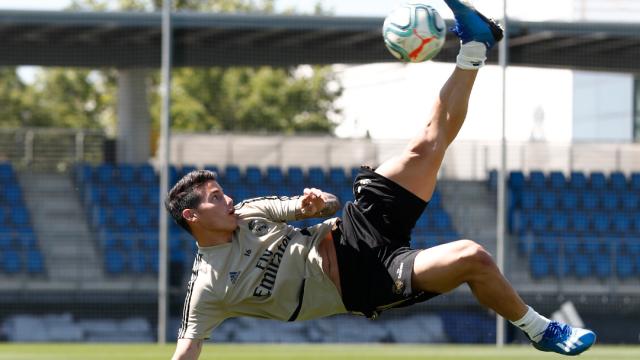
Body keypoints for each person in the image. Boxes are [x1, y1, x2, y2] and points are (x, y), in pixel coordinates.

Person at [165, 1, 596, 359]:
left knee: (426, 145)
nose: (229, 200)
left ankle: (474, 47)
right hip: (364, 281)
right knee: (473, 257)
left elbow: (327, 205)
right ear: (192, 215)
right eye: (216, 198)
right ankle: (541, 330)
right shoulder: (207, 287)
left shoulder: (249, 212)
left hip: (353, 227)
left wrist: (319, 204)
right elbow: (186, 350)